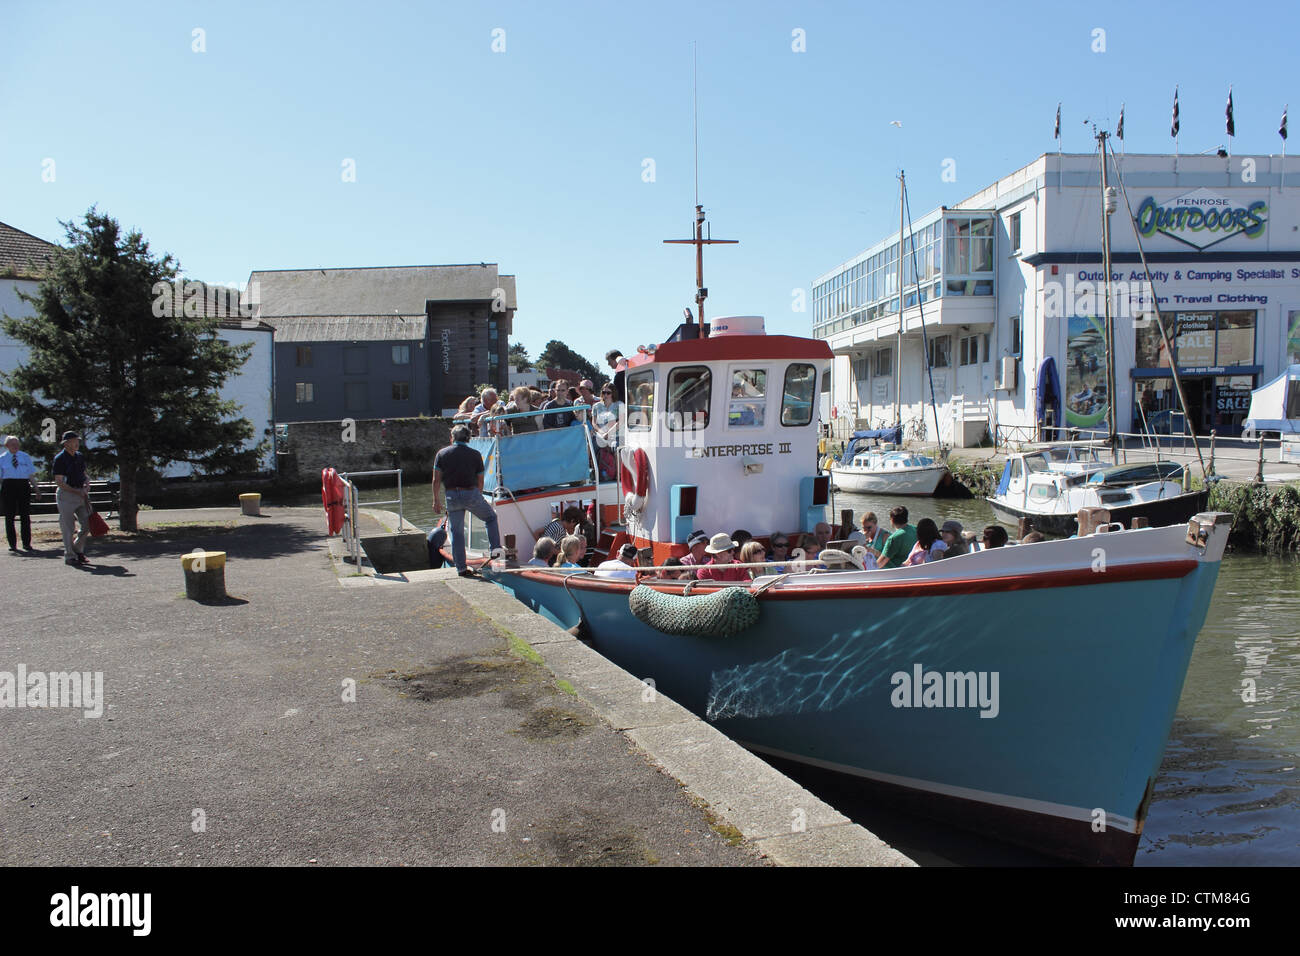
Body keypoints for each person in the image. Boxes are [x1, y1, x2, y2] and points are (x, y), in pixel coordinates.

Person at [431, 424, 501, 578]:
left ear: (452, 438)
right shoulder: (475, 454)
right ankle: (495, 550)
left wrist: (436, 500)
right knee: (490, 517)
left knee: (456, 532)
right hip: (470, 494)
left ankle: (461, 568)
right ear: (468, 438)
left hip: (451, 496)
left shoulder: (442, 454)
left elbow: (436, 480)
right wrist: (479, 495)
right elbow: (480, 480)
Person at [52, 431, 92, 566]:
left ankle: (77, 549)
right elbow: (59, 481)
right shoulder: (60, 459)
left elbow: (84, 474)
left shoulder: (79, 456)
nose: (77, 443)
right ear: (66, 443)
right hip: (66, 495)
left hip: (80, 493)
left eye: (78, 441)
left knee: (86, 525)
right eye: (74, 441)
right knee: (68, 527)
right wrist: (75, 491)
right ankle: (70, 556)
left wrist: (87, 483)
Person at [1, 435, 39, 553]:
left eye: (17, 444)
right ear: (7, 446)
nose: (16, 446)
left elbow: (31, 475)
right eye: (13, 444)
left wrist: (36, 489)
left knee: (25, 515)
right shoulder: (2, 458)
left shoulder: (25, 457)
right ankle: (13, 544)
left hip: (23, 485)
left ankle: (27, 543)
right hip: (9, 486)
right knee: (10, 516)